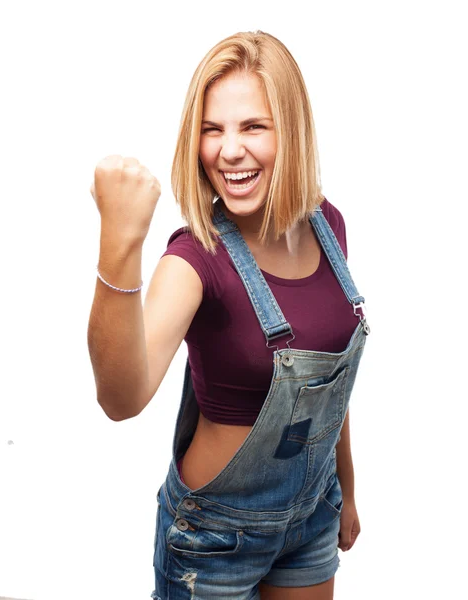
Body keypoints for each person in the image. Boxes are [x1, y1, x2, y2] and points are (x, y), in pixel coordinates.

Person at [88, 30, 370, 600]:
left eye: (252, 127)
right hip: (215, 537)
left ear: (290, 130)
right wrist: (119, 242)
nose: (228, 150)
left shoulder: (328, 225)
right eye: (212, 130)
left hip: (314, 514)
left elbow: (330, 386)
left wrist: (348, 487)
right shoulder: (197, 258)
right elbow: (121, 399)